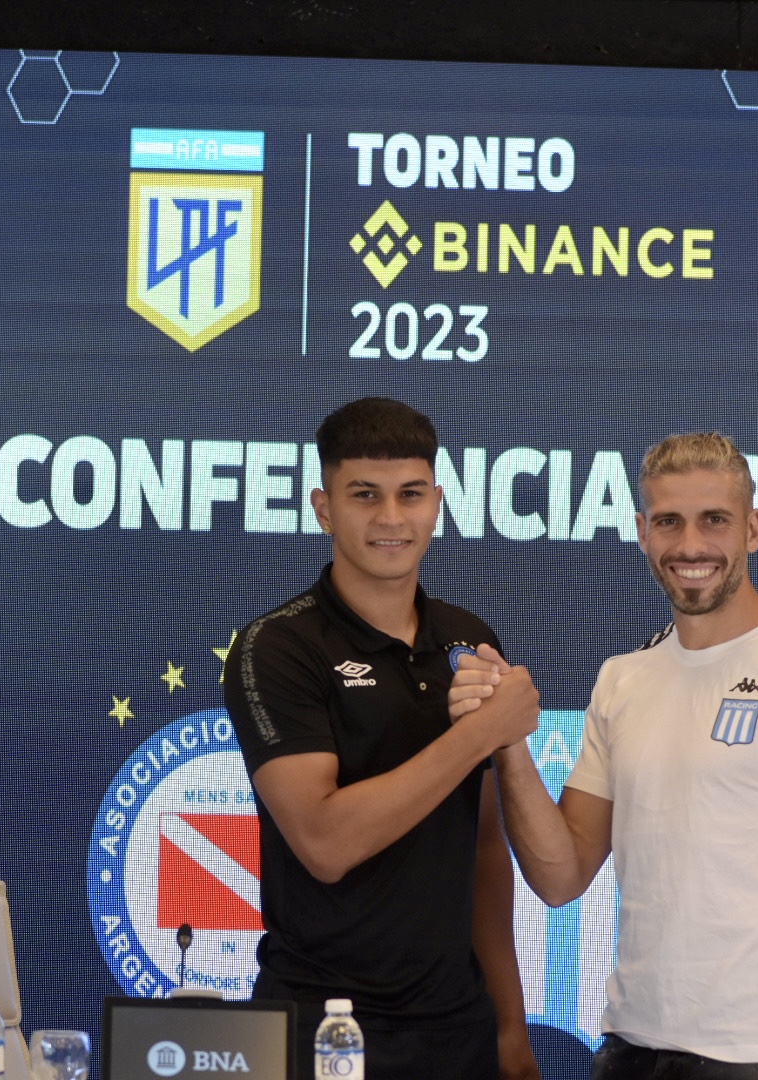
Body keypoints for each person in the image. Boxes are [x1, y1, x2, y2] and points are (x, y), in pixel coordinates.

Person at [453, 431, 758, 1080]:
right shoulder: (623, 677)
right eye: (670, 522)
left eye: (715, 520)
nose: (691, 545)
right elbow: (561, 877)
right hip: (627, 1051)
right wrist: (507, 742)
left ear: (752, 529)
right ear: (642, 532)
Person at [223, 397, 541, 1080]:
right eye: (365, 495)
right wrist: (481, 733)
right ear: (324, 508)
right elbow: (325, 844)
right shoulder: (276, 647)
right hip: (319, 1025)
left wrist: (509, 1024)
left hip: (458, 1026)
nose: (392, 518)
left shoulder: (469, 639)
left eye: (411, 494)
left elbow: (485, 846)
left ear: (437, 503)